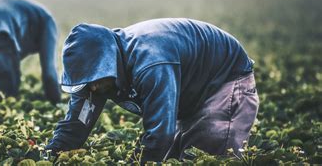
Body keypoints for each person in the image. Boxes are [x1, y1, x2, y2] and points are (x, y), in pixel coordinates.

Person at [45, 18, 259, 163]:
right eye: (85, 81)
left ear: (107, 63)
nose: (91, 87)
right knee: (179, 158)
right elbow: (76, 124)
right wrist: (49, 156)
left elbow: (160, 133)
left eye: (94, 79)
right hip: (189, 89)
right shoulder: (98, 80)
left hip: (225, 79)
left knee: (210, 156)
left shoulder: (151, 63)